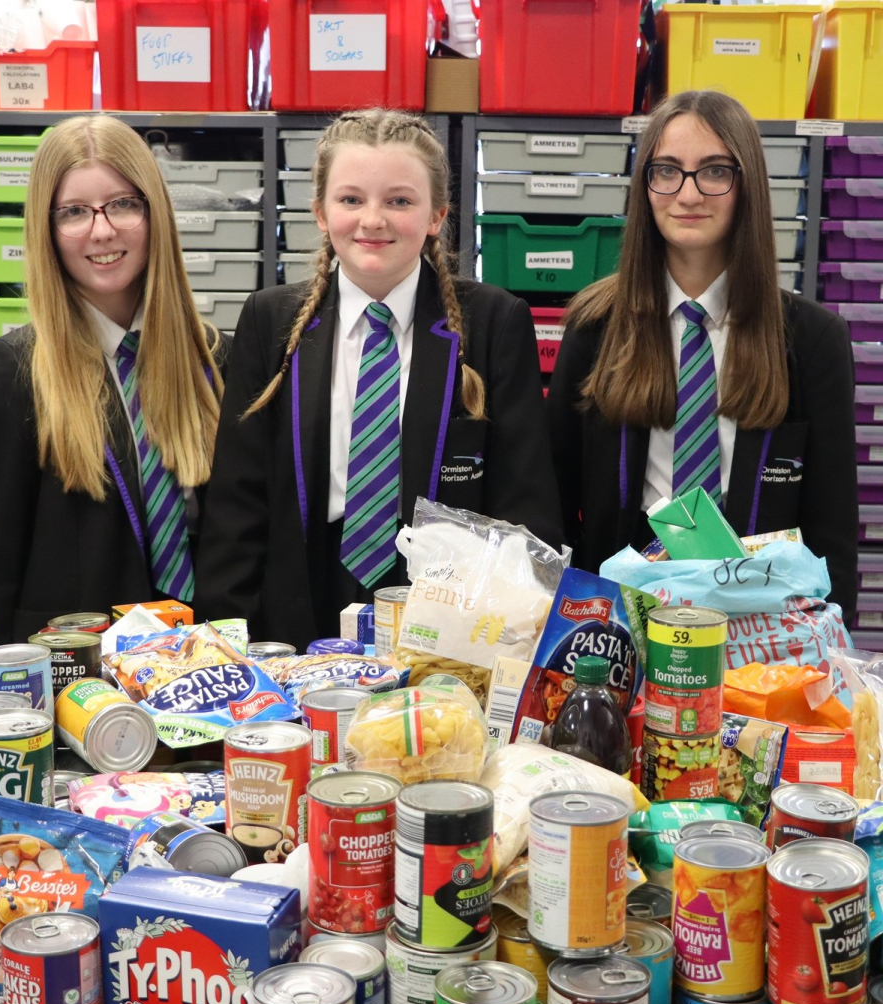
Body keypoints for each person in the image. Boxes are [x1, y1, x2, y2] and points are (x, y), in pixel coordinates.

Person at [195, 108, 563, 648]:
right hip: (300, 601)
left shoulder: (494, 322)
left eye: (399, 200)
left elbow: (525, 509)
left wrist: (507, 647)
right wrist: (228, 643)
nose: (373, 219)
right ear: (320, 212)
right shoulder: (268, 321)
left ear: (437, 214)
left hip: (447, 616)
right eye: (351, 200)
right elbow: (237, 505)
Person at [547, 90, 857, 622]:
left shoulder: (813, 340)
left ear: (747, 186)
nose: (687, 193)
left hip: (761, 625)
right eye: (666, 171)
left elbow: (832, 528)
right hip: (622, 615)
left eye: (714, 171)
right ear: (644, 186)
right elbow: (554, 499)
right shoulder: (596, 327)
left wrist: (833, 658)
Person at [0, 114, 224, 643]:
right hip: (77, 680)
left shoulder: (215, 361)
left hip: (204, 663)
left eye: (124, 204)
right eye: (74, 212)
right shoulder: (16, 372)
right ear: (47, 229)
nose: (102, 230)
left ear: (155, 214)